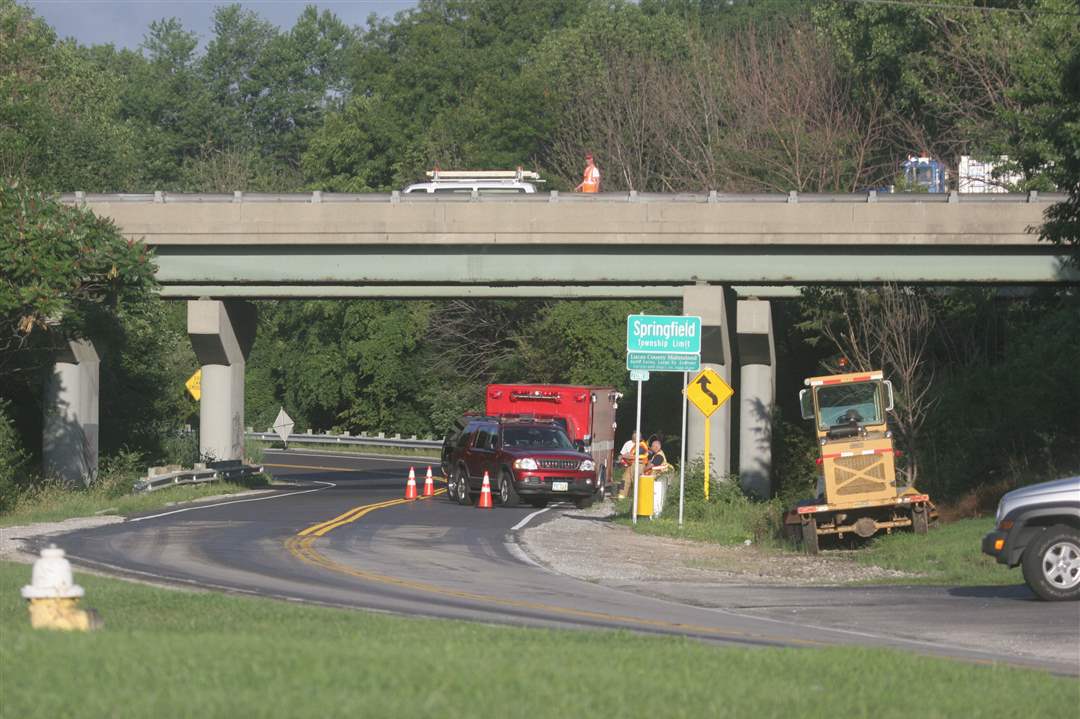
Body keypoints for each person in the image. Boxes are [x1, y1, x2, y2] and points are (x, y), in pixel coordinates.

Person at [618, 432, 648, 499]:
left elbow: (632, 456)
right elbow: (626, 456)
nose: (633, 440)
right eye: (632, 438)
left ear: (639, 438)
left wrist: (624, 456)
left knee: (637, 483)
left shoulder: (642, 445)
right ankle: (621, 498)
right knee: (624, 480)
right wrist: (624, 457)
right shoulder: (634, 444)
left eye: (634, 438)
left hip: (639, 465)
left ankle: (637, 500)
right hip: (631, 465)